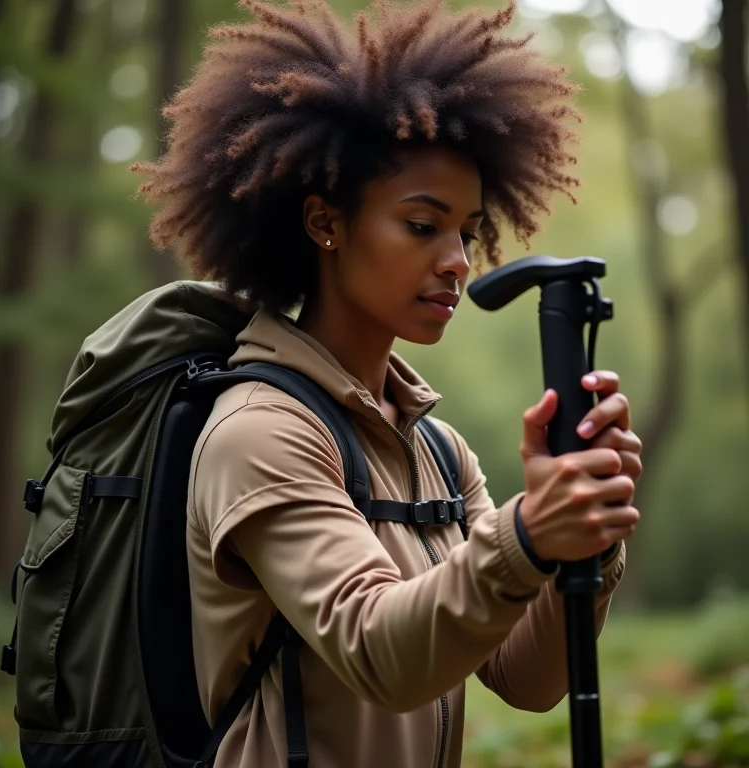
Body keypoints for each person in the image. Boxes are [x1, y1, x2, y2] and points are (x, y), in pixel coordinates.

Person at [132, 0, 643, 765]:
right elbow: (382, 654)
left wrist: (584, 547)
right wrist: (527, 533)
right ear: (324, 223)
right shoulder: (258, 430)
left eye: (467, 232)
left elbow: (528, 679)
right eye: (421, 223)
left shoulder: (437, 450)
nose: (458, 261)